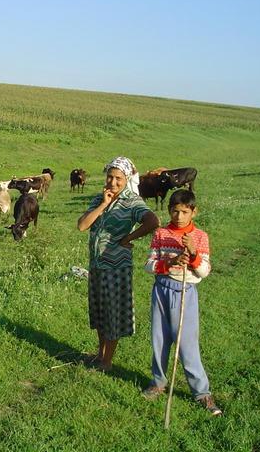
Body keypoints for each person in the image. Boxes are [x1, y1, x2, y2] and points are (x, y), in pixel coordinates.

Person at [142, 189, 222, 415]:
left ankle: (202, 392)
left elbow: (204, 271)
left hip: (184, 291)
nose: (179, 216)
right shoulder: (161, 233)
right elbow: (149, 265)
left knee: (186, 343)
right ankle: (158, 383)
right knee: (159, 339)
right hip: (161, 289)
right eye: (175, 211)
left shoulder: (200, 236)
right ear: (169, 210)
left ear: (193, 212)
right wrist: (172, 261)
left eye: (184, 212)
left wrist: (194, 253)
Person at [77, 156, 159, 371]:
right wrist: (104, 204)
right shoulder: (99, 199)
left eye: (118, 179)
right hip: (96, 265)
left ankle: (107, 361)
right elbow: (82, 226)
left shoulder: (132, 201)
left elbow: (153, 221)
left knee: (112, 313)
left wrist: (128, 238)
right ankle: (100, 353)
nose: (113, 183)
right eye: (110, 177)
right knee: (99, 311)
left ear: (127, 179)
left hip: (116, 267)